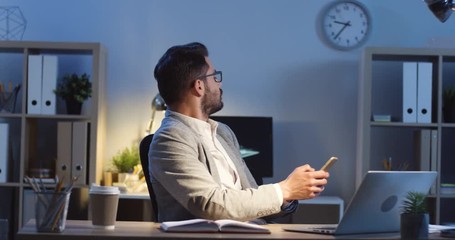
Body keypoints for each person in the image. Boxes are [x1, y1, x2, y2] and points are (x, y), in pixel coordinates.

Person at [149, 42, 330, 223]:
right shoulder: (169, 139)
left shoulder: (223, 133)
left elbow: (250, 198)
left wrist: (289, 195)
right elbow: (210, 205)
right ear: (199, 86)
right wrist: (284, 189)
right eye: (215, 77)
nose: (219, 84)